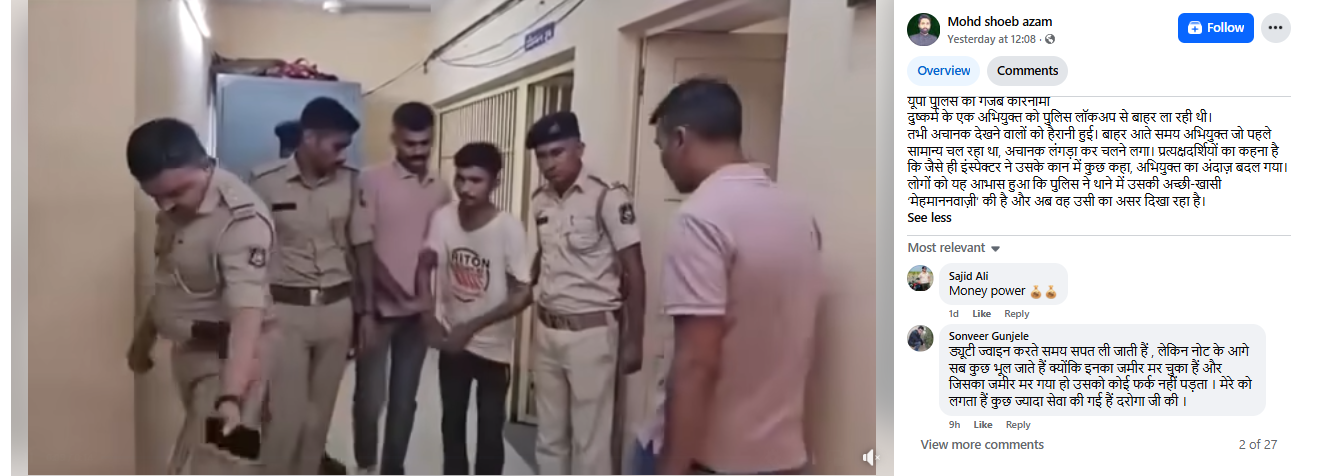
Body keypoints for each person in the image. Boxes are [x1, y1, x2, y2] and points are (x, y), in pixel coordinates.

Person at [644, 77, 824, 475]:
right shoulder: (798, 213)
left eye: (660, 147)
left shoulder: (700, 218)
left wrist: (671, 468)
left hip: (713, 460)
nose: (663, 161)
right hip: (785, 458)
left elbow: (697, 362)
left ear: (680, 139)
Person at [123, 118, 275, 474]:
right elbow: (169, 280)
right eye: (155, 196)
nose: (165, 205)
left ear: (205, 164)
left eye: (176, 192)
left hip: (228, 360)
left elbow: (247, 314)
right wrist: (143, 340)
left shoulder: (240, 220)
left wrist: (231, 396)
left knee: (214, 465)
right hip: (190, 353)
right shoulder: (176, 208)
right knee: (200, 457)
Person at [249, 97, 375, 474]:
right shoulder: (264, 182)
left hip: (337, 310)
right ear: (309, 138)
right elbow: (248, 252)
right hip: (285, 313)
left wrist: (366, 312)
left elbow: (361, 247)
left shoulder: (351, 182)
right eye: (336, 145)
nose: (342, 155)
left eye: (346, 146)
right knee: (285, 418)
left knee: (318, 419)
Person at [525, 111, 647, 475]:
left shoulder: (607, 196)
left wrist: (634, 340)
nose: (549, 164)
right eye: (541, 156)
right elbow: (544, 258)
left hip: (591, 334)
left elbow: (635, 270)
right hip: (547, 330)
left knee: (590, 444)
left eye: (557, 152)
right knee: (549, 439)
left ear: (579, 148)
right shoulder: (540, 200)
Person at [415, 141, 533, 475]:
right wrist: (428, 316)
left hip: (493, 350)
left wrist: (471, 327)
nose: (466, 188)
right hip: (453, 345)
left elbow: (524, 293)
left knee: (490, 432)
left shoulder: (508, 228)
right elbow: (424, 266)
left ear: (495, 182)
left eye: (476, 180)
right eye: (461, 178)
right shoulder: (443, 218)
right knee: (451, 424)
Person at [351, 102, 451, 475]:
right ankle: (366, 464)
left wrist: (426, 305)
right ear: (394, 138)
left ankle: (393, 468)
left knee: (405, 400)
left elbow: (439, 250)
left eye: (425, 143)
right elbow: (363, 247)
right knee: (369, 398)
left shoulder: (441, 189)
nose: (418, 151)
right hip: (378, 311)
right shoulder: (370, 180)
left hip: (417, 315)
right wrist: (384, 301)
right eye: (410, 143)